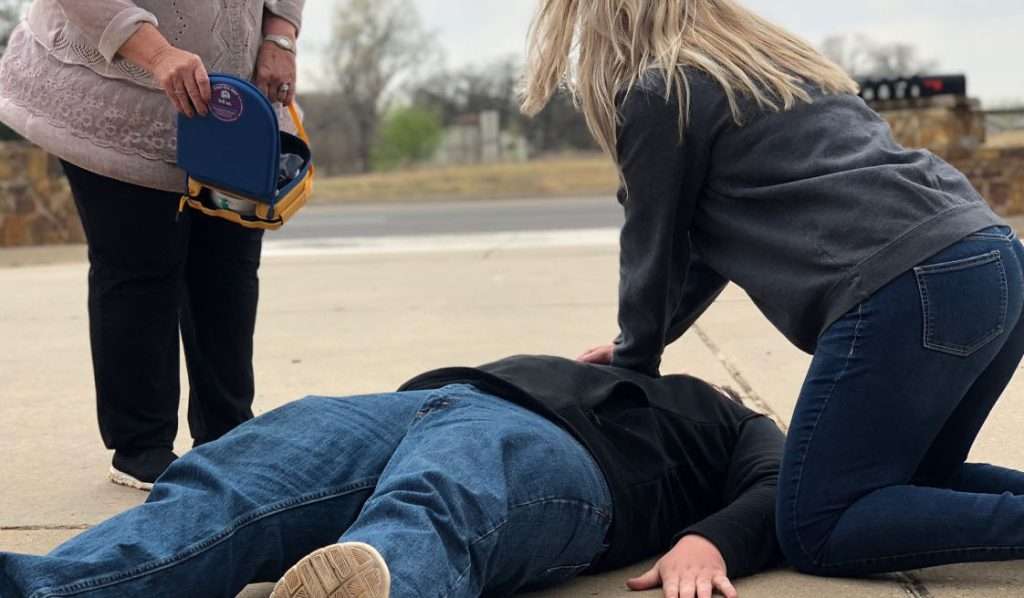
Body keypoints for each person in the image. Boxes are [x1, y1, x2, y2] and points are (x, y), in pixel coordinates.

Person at [520, 0, 1024, 578]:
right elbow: (701, 249)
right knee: (913, 480)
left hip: (909, 281)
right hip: (994, 258)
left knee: (816, 527)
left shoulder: (661, 92)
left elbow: (653, 242)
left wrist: (635, 365)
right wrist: (640, 345)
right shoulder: (779, 67)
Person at [0, 355, 784, 598]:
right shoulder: (626, 358)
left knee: (442, 496)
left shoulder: (736, 422)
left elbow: (783, 490)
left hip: (571, 461)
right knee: (234, 479)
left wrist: (710, 542)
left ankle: (382, 584)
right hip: (424, 402)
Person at [0, 1, 306, 490]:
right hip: (114, 92)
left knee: (228, 266)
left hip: (234, 98)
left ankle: (228, 433)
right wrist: (158, 53)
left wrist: (280, 35)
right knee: (140, 264)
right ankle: (141, 446)